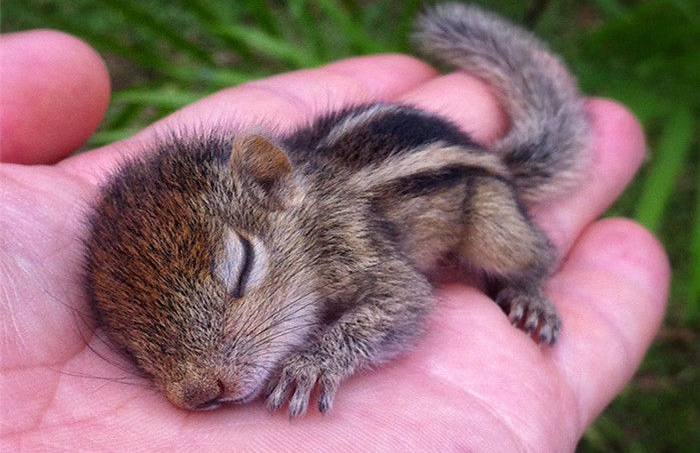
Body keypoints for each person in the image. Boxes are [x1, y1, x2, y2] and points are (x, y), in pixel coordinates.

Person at [0, 30, 669, 451]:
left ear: (271, 187)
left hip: (462, 193)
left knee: (500, 244)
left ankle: (528, 276)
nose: (190, 385)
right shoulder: (227, 276)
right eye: (142, 343)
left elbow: (404, 300)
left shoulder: (334, 231)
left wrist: (331, 354)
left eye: (239, 274)